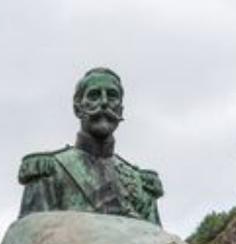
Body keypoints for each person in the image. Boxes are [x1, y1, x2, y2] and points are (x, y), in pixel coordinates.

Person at [18, 67, 163, 225]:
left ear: (121, 109)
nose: (104, 102)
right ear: (77, 108)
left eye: (112, 96)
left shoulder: (141, 184)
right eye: (94, 96)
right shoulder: (50, 171)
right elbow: (33, 240)